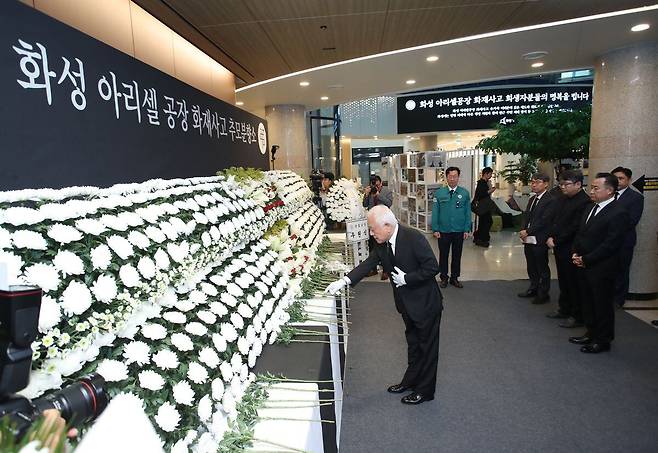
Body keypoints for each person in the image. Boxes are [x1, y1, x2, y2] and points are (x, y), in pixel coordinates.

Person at [325, 205, 442, 405]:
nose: (371, 233)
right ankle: (410, 381)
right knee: (413, 344)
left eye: (373, 229)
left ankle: (425, 391)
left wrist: (408, 278)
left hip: (425, 304)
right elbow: (368, 264)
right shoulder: (382, 242)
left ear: (387, 225)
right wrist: (343, 281)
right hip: (406, 305)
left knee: (427, 348)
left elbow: (432, 267)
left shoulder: (413, 237)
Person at [569, 173, 629, 353]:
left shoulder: (619, 212)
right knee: (587, 301)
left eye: (596, 188)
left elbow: (611, 244)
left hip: (602, 267)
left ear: (610, 191)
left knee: (601, 304)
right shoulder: (590, 208)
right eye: (591, 187)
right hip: (583, 263)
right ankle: (590, 332)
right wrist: (575, 253)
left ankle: (602, 340)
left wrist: (587, 259)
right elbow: (580, 233)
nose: (591, 191)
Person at [545, 170, 592, 328]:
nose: (563, 187)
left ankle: (577, 315)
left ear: (578, 184)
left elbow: (575, 227)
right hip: (559, 246)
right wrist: (551, 236)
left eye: (566, 184)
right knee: (564, 281)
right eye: (561, 184)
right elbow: (555, 220)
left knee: (574, 283)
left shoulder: (584, 201)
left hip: (572, 247)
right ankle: (564, 309)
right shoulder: (562, 199)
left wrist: (556, 240)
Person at [518, 173, 557, 305]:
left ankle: (543, 293)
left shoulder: (551, 200)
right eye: (532, 182)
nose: (534, 184)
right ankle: (533, 288)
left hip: (540, 238)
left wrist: (528, 231)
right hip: (528, 238)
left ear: (546, 184)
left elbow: (544, 221)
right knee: (531, 265)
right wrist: (523, 230)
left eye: (538, 182)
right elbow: (526, 215)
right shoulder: (532, 199)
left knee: (542, 267)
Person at [431, 166, 471, 288]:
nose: (453, 179)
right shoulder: (439, 193)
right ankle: (444, 277)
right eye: (450, 176)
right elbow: (435, 212)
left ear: (458, 177)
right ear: (446, 177)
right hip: (443, 231)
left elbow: (467, 212)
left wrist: (466, 229)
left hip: (458, 230)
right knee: (443, 254)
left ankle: (454, 277)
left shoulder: (464, 193)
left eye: (455, 176)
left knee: (457, 255)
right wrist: (435, 228)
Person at [610, 166, 644, 308]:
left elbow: (631, 221)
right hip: (606, 242)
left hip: (624, 242)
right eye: (615, 178)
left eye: (621, 178)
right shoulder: (608, 194)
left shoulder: (635, 197)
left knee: (621, 270)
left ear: (629, 180)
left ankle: (618, 300)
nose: (617, 181)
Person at [472, 167, 496, 247]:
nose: (491, 176)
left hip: (485, 206)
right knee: (487, 222)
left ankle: (479, 237)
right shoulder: (481, 183)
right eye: (490, 174)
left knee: (484, 222)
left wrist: (490, 187)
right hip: (483, 206)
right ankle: (481, 238)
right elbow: (482, 194)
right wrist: (491, 190)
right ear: (486, 174)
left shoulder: (485, 182)